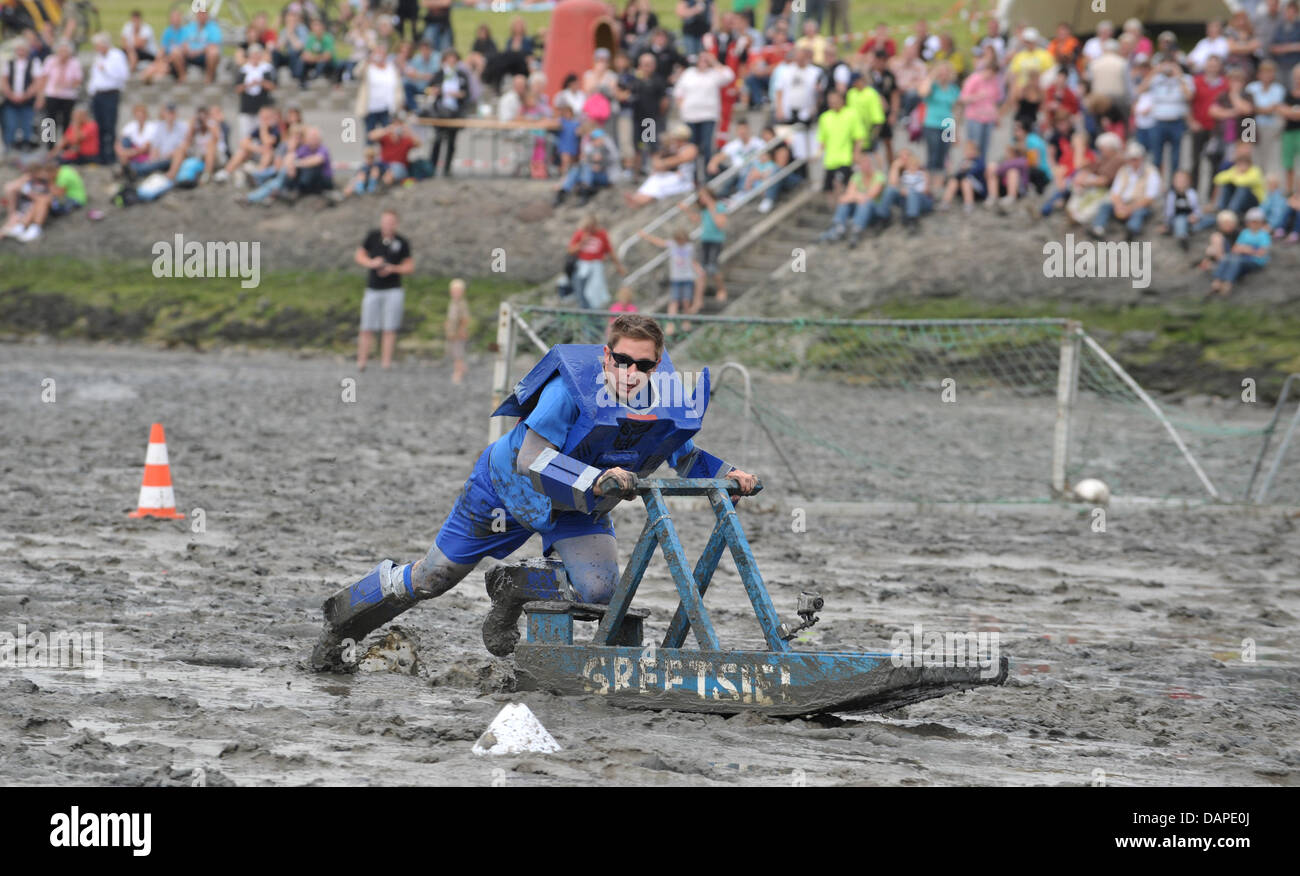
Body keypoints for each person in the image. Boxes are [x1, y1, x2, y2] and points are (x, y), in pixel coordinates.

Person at [309, 313, 761, 670]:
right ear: (607, 358)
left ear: (656, 366)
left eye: (643, 365)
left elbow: (683, 453)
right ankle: (347, 610)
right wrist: (593, 480)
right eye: (623, 361)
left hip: (576, 507)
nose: (631, 373)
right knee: (433, 579)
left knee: (601, 593)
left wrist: (731, 472)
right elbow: (530, 459)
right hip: (505, 491)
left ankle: (514, 589)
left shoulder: (661, 402)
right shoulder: (567, 392)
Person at [356, 209, 414, 371]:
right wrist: (372, 263)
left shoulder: (402, 242)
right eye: (386, 221)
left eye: (391, 222)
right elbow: (359, 256)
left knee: (390, 327)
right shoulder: (372, 237)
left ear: (396, 224)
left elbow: (409, 266)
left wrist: (393, 268)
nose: (388, 225)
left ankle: (386, 363)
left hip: (393, 289)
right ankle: (362, 361)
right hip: (373, 288)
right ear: (381, 222)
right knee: (367, 326)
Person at [674, 50, 735, 170]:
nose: (703, 62)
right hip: (690, 116)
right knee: (692, 147)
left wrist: (714, 62)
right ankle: (694, 175)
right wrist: (683, 108)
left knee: (707, 146)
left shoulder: (714, 74)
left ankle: (708, 174)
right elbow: (678, 93)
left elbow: (730, 76)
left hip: (708, 116)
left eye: (706, 60)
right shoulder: (689, 73)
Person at [637, 224, 703, 329]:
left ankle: (686, 321)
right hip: (676, 278)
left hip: (687, 277)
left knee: (686, 301)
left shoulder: (689, 247)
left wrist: (698, 270)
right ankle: (670, 323)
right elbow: (659, 242)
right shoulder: (673, 244)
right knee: (674, 301)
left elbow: (693, 261)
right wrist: (645, 236)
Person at [1091, 142, 1162, 239]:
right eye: (1130, 159)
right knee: (1105, 206)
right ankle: (1098, 228)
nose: (1133, 162)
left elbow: (1150, 197)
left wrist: (1130, 208)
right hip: (1123, 203)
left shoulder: (1151, 172)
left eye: (1135, 159)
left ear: (1141, 158)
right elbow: (1115, 192)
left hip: (1139, 204)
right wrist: (1119, 205)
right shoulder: (1123, 170)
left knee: (1139, 212)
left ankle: (1132, 230)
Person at [624, 124, 698, 207]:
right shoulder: (672, 148)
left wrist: (663, 162)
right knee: (654, 178)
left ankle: (640, 200)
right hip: (673, 176)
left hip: (684, 180)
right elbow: (657, 162)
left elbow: (679, 159)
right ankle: (637, 198)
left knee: (657, 183)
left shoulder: (691, 148)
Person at [569, 212, 627, 310]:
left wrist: (619, 266)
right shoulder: (580, 233)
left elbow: (610, 251)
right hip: (582, 268)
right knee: (581, 294)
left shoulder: (602, 234)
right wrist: (582, 242)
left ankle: (595, 318)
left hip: (596, 267)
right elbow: (571, 250)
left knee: (595, 293)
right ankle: (586, 318)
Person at [1210, 207, 1272, 295]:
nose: (1253, 224)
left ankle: (1228, 283)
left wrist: (1246, 250)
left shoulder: (1264, 235)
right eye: (1251, 221)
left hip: (1255, 262)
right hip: (1243, 258)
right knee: (1228, 257)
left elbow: (1262, 252)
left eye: (1256, 221)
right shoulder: (1245, 233)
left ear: (1261, 222)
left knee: (1236, 261)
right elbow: (1235, 249)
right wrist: (1247, 249)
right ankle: (1217, 281)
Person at [428, 49, 469, 176]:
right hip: (440, 111)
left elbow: (466, 93)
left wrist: (457, 94)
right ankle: (432, 167)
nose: (451, 61)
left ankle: (447, 168)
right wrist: (435, 91)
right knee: (438, 140)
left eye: (454, 59)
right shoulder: (439, 74)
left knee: (452, 141)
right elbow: (429, 89)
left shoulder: (461, 75)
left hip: (455, 112)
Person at [1, 41, 42, 154]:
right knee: (10, 124)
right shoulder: (9, 63)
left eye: (23, 49)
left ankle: (26, 147)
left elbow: (37, 82)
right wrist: (10, 94)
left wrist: (26, 95)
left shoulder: (34, 62)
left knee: (27, 124)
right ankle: (9, 148)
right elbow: (4, 81)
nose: (20, 52)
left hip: (27, 100)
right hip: (11, 100)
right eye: (18, 49)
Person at [172, 9, 222, 84]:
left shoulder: (213, 28)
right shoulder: (190, 27)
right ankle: (182, 77)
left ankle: (209, 78)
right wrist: (187, 49)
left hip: (204, 55)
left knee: (213, 52)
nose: (202, 16)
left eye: (204, 14)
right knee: (175, 51)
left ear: (207, 15)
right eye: (200, 14)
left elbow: (213, 45)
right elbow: (183, 41)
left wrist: (198, 51)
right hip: (189, 53)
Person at [1162, 169, 1202, 249]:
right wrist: (1166, 223)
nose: (1180, 182)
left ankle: (1189, 229)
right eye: (1178, 180)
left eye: (1183, 180)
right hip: (1176, 218)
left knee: (1207, 220)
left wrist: (1196, 216)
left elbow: (1197, 208)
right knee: (1180, 220)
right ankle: (1182, 237)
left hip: (1190, 218)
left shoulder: (1191, 193)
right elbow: (1169, 211)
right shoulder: (1172, 195)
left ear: (1188, 182)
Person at [446, 278, 470, 384]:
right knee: (454, 352)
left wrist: (462, 330)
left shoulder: (462, 304)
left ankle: (458, 373)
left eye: (458, 291)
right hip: (452, 333)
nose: (456, 293)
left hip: (458, 333)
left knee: (458, 354)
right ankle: (463, 368)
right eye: (454, 291)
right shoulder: (452, 303)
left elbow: (465, 319)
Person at [120, 9, 158, 74]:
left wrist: (135, 31)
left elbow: (140, 45)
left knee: (133, 52)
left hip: (147, 53)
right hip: (132, 51)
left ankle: (130, 72)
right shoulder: (127, 26)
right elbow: (124, 43)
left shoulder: (147, 29)